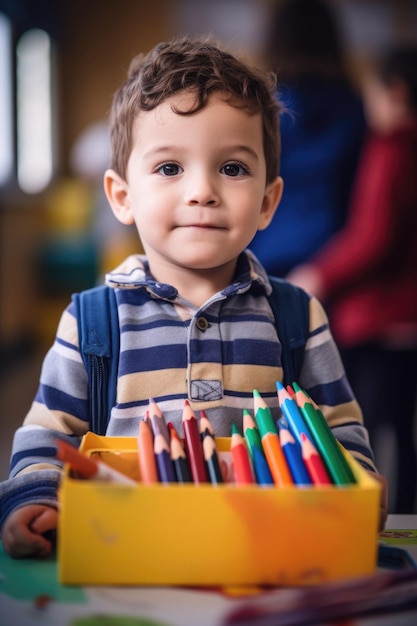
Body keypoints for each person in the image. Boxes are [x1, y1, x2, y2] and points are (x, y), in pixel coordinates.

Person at [0, 35, 387, 559]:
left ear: (268, 202)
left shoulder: (296, 315)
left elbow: (339, 427)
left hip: (267, 559)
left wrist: (357, 482)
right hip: (129, 557)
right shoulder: (93, 320)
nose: (202, 190)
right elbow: (50, 433)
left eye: (232, 168)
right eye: (169, 168)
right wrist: (35, 497)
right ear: (122, 197)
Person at [287, 46, 417, 513]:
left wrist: (319, 273)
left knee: (374, 432)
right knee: (402, 429)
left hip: (381, 320)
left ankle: (382, 524)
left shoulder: (391, 146)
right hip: (407, 321)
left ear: (395, 93)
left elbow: (373, 236)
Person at [249, 0, 366, 277]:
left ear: (274, 40)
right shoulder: (355, 109)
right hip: (331, 261)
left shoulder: (263, 110)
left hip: (264, 253)